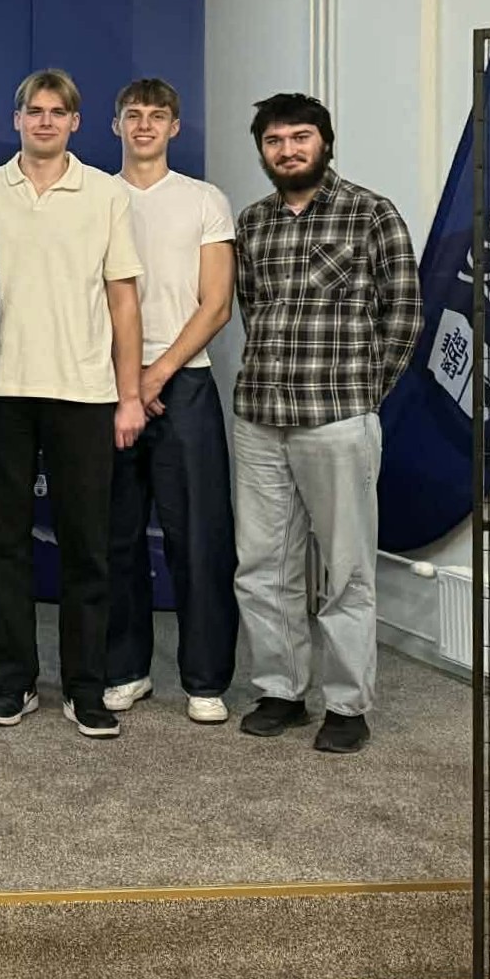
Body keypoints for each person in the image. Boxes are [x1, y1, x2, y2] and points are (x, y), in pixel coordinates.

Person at [0, 69, 144, 740]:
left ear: (74, 122)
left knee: (87, 547)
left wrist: (129, 395)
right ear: (15, 121)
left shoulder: (105, 194)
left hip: (84, 393)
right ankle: (14, 681)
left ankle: (85, 687)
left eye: (56, 112)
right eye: (33, 111)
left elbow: (123, 300)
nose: (44, 121)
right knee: (1, 546)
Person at [232, 92, 420, 754]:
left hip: (337, 419)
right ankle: (280, 691)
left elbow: (403, 314)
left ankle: (345, 704)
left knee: (345, 569)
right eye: (274, 141)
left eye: (299, 137)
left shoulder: (371, 213)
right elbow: (251, 307)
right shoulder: (252, 222)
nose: (287, 150)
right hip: (259, 417)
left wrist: (362, 394)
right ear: (263, 151)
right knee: (262, 564)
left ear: (324, 142)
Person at [105, 79, 240, 726]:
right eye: (132, 116)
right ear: (115, 125)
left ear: (174, 127)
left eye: (156, 116)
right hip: (108, 385)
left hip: (183, 382)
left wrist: (155, 375)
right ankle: (125, 669)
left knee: (200, 540)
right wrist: (126, 381)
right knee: (116, 536)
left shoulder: (203, 200)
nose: (144, 126)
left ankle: (205, 679)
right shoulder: (96, 196)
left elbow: (216, 305)